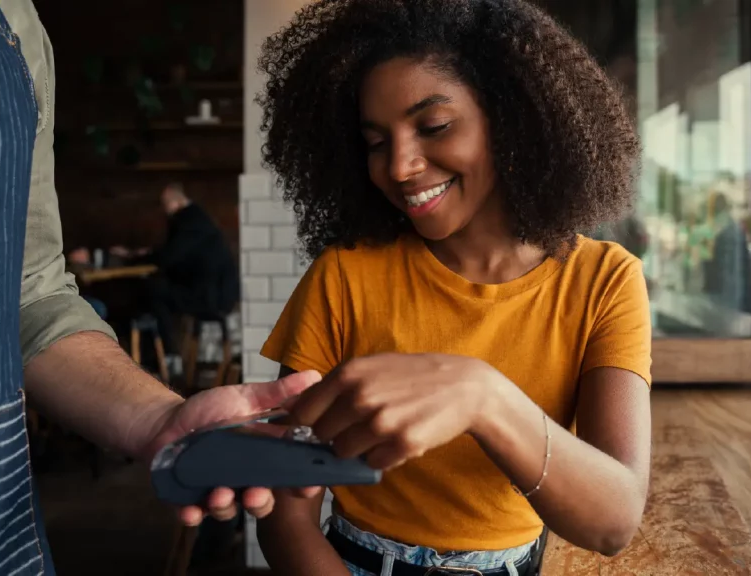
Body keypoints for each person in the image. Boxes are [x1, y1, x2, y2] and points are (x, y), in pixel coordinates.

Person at [0, 2, 312, 574]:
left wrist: (156, 420)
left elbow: (32, 296)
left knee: (157, 300)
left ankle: (167, 348)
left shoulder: (12, 19)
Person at [253, 1, 653, 575]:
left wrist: (483, 397)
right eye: (375, 142)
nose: (399, 166)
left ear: (511, 117)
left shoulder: (604, 281)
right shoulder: (344, 277)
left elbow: (613, 522)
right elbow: (286, 515)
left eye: (433, 126)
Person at [114, 183, 240, 368]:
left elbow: (169, 257)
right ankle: (158, 356)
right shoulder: (199, 219)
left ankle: (167, 356)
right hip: (218, 295)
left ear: (174, 202)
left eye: (165, 204)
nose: (164, 210)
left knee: (151, 292)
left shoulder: (189, 221)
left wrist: (135, 257)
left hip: (210, 298)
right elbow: (177, 256)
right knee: (153, 291)